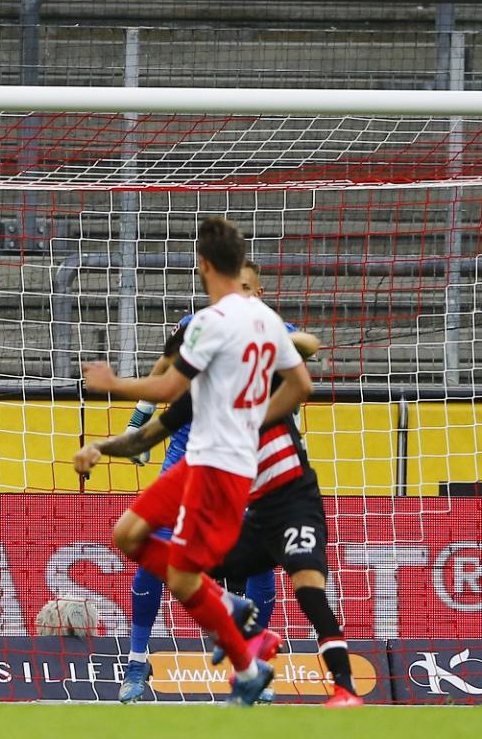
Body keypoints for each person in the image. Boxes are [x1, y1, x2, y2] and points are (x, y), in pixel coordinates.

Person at [75, 218, 311, 706]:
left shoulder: (210, 323)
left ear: (203, 266)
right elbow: (302, 386)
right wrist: (255, 419)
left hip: (220, 469)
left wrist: (111, 382)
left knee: (183, 577)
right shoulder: (264, 322)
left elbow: (167, 389)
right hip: (197, 459)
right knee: (128, 535)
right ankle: (235, 612)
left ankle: (245, 661)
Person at [92, 285, 363, 708]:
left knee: (285, 574)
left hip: (261, 479)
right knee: (147, 545)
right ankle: (143, 658)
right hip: (195, 461)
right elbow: (164, 375)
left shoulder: (267, 343)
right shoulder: (195, 336)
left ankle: (270, 665)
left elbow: (307, 353)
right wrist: (131, 425)